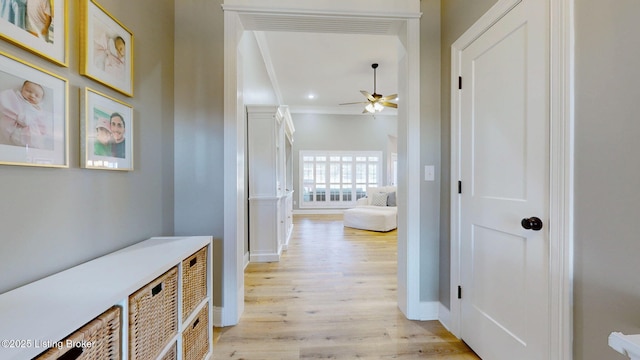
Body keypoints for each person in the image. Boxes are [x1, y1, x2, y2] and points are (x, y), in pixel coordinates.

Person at [0, 80, 50, 149]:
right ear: (22, 89)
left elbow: (42, 124)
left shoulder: (38, 110)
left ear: (41, 99)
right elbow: (7, 105)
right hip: (16, 128)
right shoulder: (16, 100)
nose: (32, 95)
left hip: (31, 133)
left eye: (37, 95)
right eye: (29, 91)